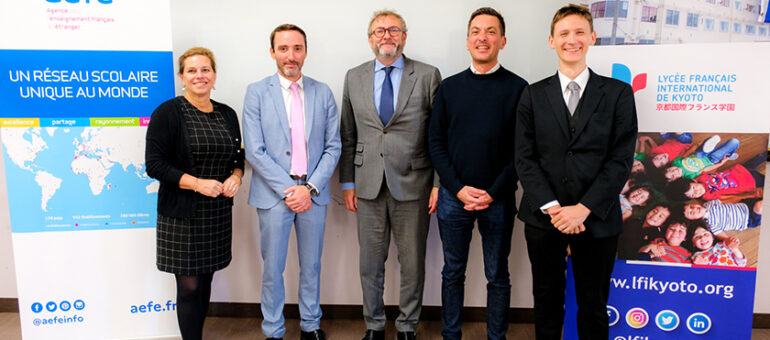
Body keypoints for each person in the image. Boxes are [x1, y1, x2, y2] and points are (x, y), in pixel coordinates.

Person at [514, 5, 638, 339]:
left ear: (592, 37)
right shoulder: (532, 94)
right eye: (564, 34)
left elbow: (620, 159)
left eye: (580, 32)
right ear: (551, 41)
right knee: (547, 301)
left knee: (594, 304)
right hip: (544, 218)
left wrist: (583, 209)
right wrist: (555, 210)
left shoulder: (617, 94)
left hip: (596, 217)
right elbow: (525, 159)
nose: (573, 40)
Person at [338, 9, 441, 340]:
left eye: (393, 30)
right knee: (370, 263)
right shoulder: (354, 76)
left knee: (412, 264)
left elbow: (439, 136)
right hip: (366, 185)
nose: (387, 36)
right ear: (370, 39)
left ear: (404, 37)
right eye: (379, 31)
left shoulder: (427, 75)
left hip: (414, 184)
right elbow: (348, 133)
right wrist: (348, 182)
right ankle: (374, 325)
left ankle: (408, 326)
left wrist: (438, 184)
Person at [428, 7, 527, 340]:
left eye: (490, 31)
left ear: (502, 40)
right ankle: (450, 335)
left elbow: (522, 150)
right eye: (475, 31)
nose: (482, 37)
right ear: (467, 40)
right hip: (453, 199)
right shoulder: (450, 87)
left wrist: (493, 191)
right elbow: (435, 142)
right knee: (452, 272)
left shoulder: (519, 88)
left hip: (497, 200)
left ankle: (496, 337)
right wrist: (456, 189)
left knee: (498, 275)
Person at [242, 24, 340, 340]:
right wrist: (290, 189)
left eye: (297, 48)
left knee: (311, 266)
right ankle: (273, 329)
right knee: (273, 269)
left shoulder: (323, 92)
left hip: (313, 194)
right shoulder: (256, 92)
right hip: (274, 196)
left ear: (305, 52)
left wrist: (308, 188)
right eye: (283, 49)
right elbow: (254, 150)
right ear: (272, 52)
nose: (291, 56)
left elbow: (333, 145)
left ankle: (311, 325)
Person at [145, 47, 244, 340]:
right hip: (181, 214)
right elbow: (154, 165)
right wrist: (197, 183)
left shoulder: (227, 113)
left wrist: (236, 177)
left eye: (205, 70)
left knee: (206, 281)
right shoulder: (168, 112)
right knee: (189, 287)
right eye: (192, 70)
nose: (199, 76)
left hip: (217, 213)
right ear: (181, 77)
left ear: (214, 75)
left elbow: (237, 158)